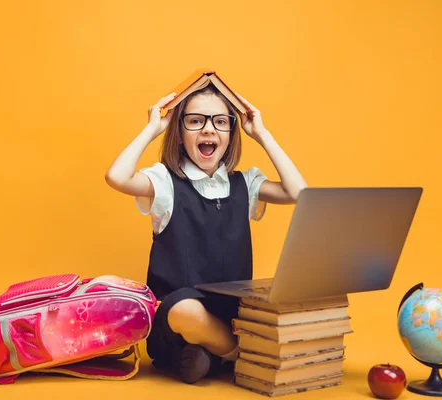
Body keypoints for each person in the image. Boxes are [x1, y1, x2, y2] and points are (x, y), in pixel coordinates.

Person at [105, 82, 307, 384]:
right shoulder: (165, 182)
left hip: (230, 316)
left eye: (221, 122)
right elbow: (116, 176)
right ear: (180, 131)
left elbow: (298, 192)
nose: (209, 130)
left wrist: (263, 135)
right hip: (176, 321)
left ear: (232, 132)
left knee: (287, 300)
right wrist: (153, 128)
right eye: (195, 120)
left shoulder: (245, 184)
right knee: (186, 308)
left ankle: (209, 357)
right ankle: (242, 356)